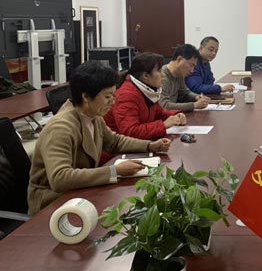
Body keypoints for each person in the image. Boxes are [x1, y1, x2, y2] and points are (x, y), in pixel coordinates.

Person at [27, 61, 172, 215]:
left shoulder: (93, 116)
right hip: (52, 204)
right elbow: (60, 178)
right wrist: (114, 171)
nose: (113, 101)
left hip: (78, 194)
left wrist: (150, 146)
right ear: (86, 97)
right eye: (108, 96)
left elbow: (115, 142)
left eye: (114, 95)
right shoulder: (60, 128)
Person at [104, 52, 186, 140]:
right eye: (159, 71)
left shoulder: (147, 91)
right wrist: (164, 125)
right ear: (146, 76)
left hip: (138, 143)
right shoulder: (127, 95)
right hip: (116, 147)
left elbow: (159, 113)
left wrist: (176, 115)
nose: (163, 75)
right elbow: (129, 132)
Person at [160, 44, 210, 112]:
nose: (192, 70)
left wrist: (196, 97)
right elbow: (163, 105)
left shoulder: (179, 74)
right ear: (179, 59)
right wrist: (194, 105)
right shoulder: (162, 76)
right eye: (191, 65)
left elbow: (185, 93)